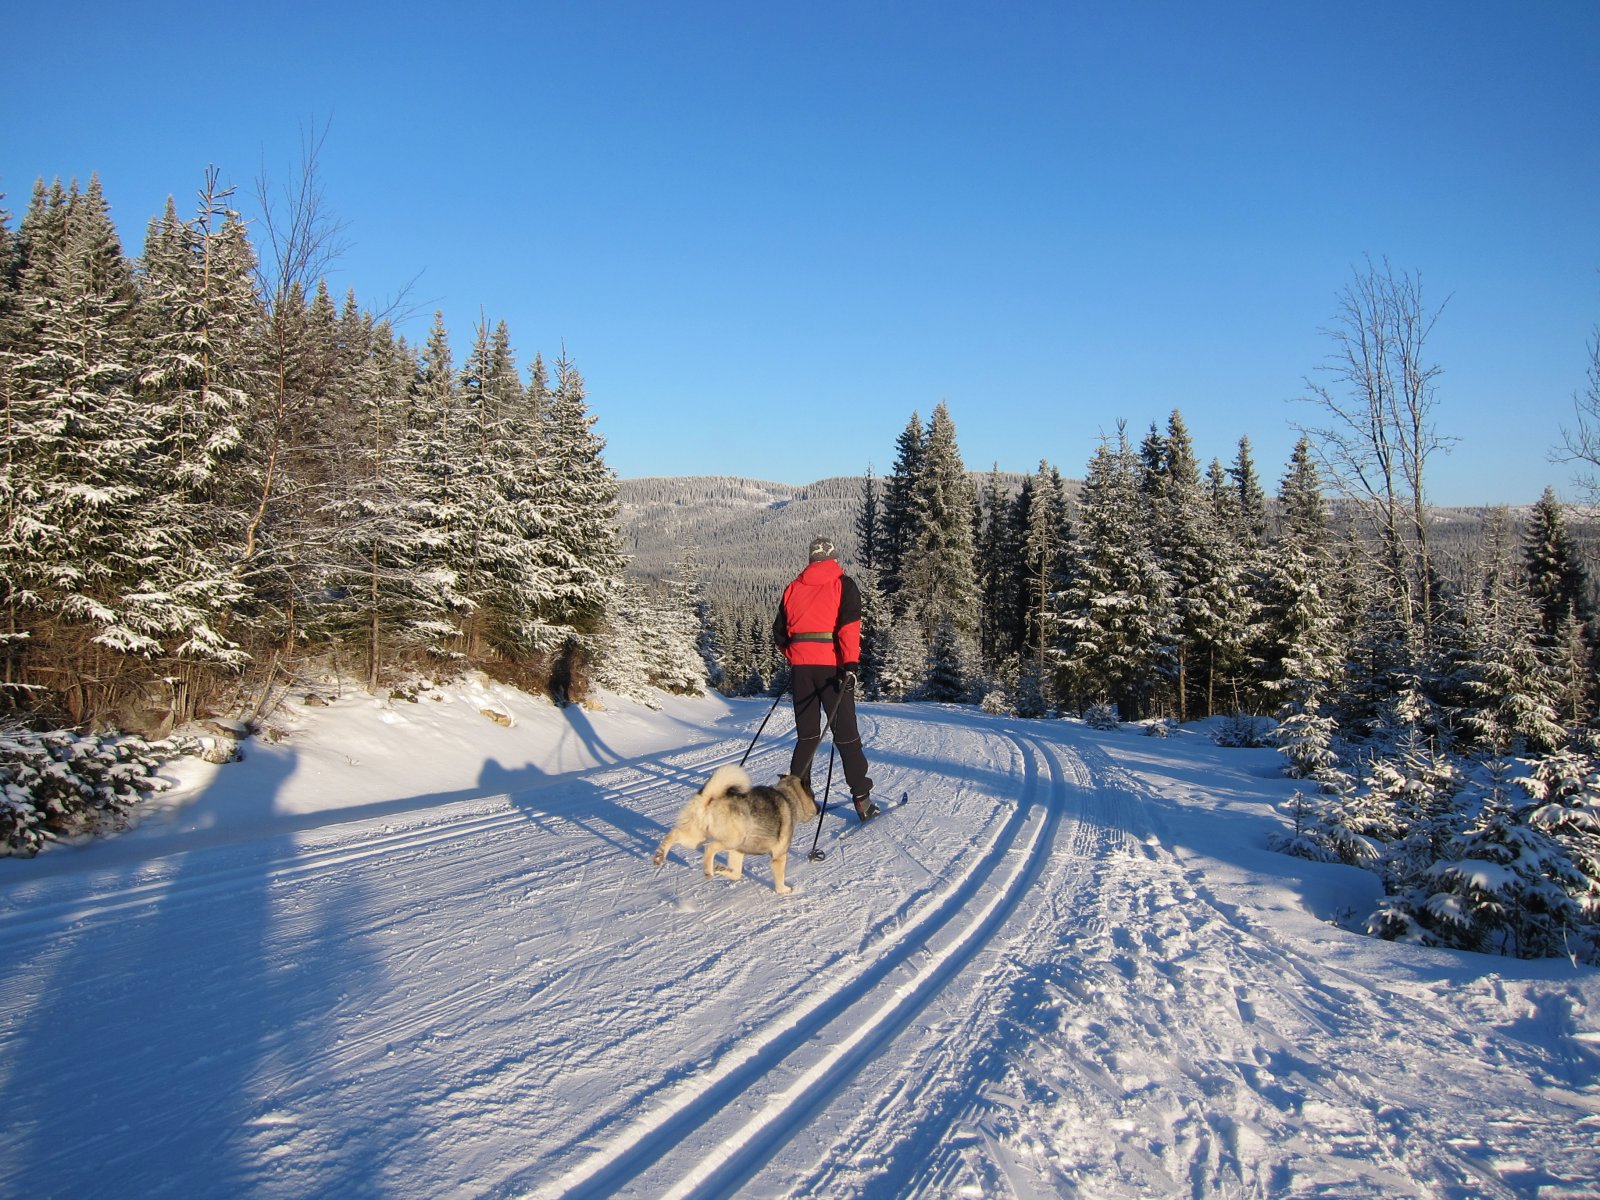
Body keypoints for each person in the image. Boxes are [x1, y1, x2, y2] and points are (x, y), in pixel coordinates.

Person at [773, 536, 879, 821]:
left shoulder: (792, 588)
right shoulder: (844, 584)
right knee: (846, 736)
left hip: (801, 669)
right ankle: (862, 799)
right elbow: (848, 629)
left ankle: (799, 799)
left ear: (810, 559)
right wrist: (851, 665)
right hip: (833, 668)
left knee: (807, 736)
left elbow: (780, 635)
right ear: (833, 557)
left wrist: (797, 655)